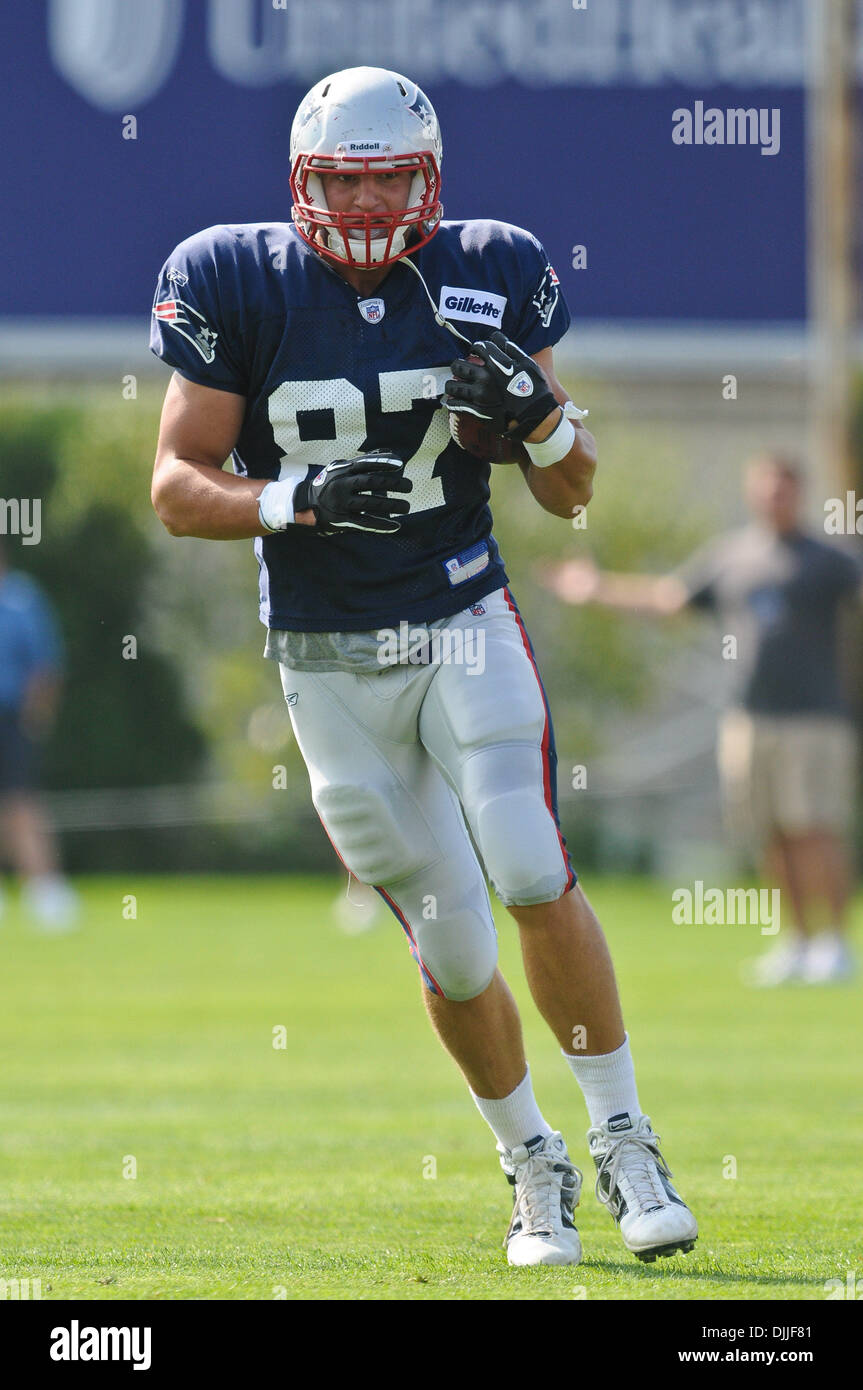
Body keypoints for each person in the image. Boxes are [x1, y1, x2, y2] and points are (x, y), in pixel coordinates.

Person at [149, 66, 697, 1267]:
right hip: (324, 653)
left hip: (460, 614)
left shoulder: (489, 266)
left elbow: (572, 489)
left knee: (527, 857)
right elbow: (177, 487)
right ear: (300, 183)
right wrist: (292, 499)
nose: (360, 204)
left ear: (428, 180)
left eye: (385, 179)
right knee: (450, 949)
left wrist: (539, 421)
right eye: (340, 181)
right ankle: (530, 1163)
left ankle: (622, 1135)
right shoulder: (229, 278)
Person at [544, 452, 861, 986]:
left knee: (815, 829)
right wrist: (594, 589)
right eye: (765, 489)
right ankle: (797, 942)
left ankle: (834, 943)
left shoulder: (828, 559)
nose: (773, 498)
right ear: (751, 492)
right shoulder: (732, 557)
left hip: (816, 719)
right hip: (750, 720)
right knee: (771, 832)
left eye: (783, 489)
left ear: (798, 494)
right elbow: (668, 599)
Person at [0, 541, 78, 930]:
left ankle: (45, 892)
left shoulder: (21, 598)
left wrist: (38, 714)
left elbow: (45, 665)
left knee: (20, 804)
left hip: (12, 716)